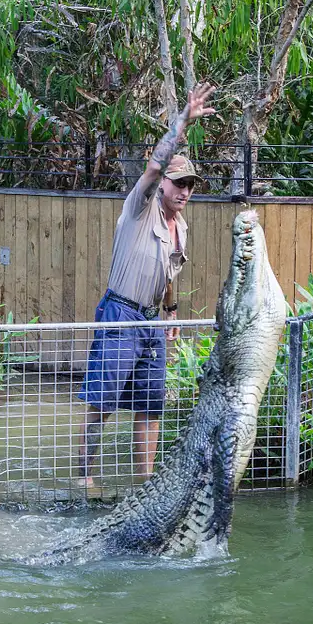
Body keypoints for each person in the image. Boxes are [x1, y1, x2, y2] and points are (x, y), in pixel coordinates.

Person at [76, 82, 217, 487]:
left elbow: (168, 273)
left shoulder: (181, 228)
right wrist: (183, 121)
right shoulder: (140, 208)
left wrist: (170, 310)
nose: (185, 191)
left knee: (150, 405)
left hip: (150, 320)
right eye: (180, 183)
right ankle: (84, 479)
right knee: (102, 402)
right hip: (119, 311)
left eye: (190, 185)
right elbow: (155, 166)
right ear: (164, 186)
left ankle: (146, 483)